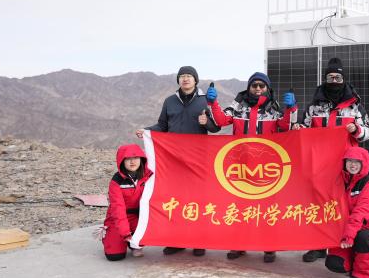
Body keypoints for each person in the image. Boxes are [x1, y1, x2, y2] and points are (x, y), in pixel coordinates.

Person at [206, 71, 296, 263]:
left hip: (267, 168)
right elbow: (221, 121)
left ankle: (269, 247)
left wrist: (291, 109)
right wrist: (213, 103)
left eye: (261, 86)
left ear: (267, 88)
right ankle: (239, 245)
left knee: (267, 207)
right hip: (240, 167)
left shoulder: (274, 108)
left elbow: (286, 127)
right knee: (240, 206)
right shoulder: (238, 106)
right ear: (249, 88)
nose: (257, 89)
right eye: (254, 85)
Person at [135, 65, 220, 257]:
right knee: (176, 199)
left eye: (189, 76)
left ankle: (198, 241)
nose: (185, 79)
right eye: (182, 76)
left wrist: (206, 123)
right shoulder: (170, 101)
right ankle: (176, 240)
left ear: (195, 80)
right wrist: (147, 131)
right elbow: (162, 125)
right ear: (178, 80)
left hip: (198, 159)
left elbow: (215, 128)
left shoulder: (205, 100)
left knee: (197, 199)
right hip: (173, 159)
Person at [297, 56, 369, 262]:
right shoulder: (314, 106)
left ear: (343, 80)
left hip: (344, 167)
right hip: (319, 166)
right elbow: (304, 128)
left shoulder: (355, 106)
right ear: (325, 79)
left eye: (337, 78)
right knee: (318, 205)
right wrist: (297, 128)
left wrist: (356, 129)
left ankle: (341, 245)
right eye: (330, 77)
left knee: (341, 206)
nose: (333, 81)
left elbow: (367, 132)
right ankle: (318, 245)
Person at [324, 146, 369, 278]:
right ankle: (353, 260)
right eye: (350, 161)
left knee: (364, 238)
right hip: (348, 229)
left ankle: (362, 276)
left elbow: (361, 213)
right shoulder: (340, 181)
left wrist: (349, 236)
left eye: (357, 162)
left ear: (364, 164)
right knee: (334, 264)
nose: (352, 165)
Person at [102, 144, 152, 261]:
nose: (132, 162)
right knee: (114, 255)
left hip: (138, 216)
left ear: (142, 159)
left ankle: (134, 243)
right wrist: (125, 233)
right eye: (128, 159)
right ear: (121, 162)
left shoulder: (148, 176)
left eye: (135, 158)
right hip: (118, 218)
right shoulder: (117, 181)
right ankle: (118, 238)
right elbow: (118, 208)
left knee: (140, 240)